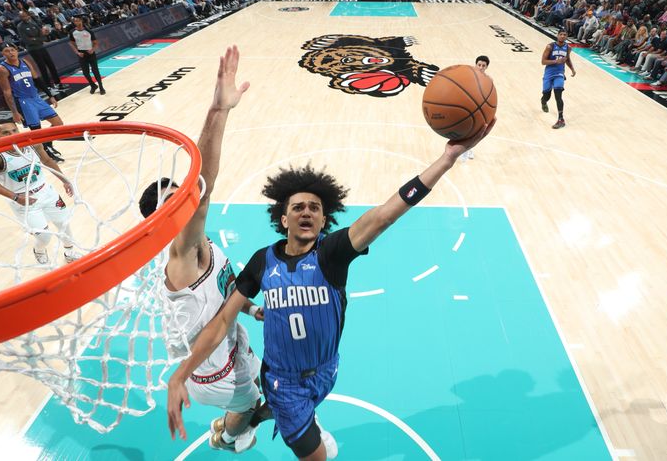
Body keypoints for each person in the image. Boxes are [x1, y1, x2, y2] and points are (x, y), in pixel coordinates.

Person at [166, 116, 496, 460]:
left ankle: (252, 421)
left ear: (325, 220)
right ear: (283, 218)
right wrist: (180, 376)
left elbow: (385, 214)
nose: (306, 212)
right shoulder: (262, 262)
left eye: (315, 208)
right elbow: (221, 322)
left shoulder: (332, 254)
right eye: (298, 207)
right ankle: (266, 421)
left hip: (327, 370)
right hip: (284, 382)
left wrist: (446, 159)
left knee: (287, 412)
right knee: (318, 456)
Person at [138, 46, 265, 454]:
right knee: (256, 406)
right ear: (158, 222)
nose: (182, 199)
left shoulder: (200, 246)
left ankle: (231, 423)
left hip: (228, 341)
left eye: (179, 193)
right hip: (214, 372)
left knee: (264, 391)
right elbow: (202, 189)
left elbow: (224, 290)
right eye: (171, 201)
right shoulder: (182, 256)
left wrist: (250, 309)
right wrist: (219, 112)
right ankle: (226, 435)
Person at [0, 122, 78, 264]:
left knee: (64, 224)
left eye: (14, 130)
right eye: (6, 133)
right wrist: (15, 197)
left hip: (46, 192)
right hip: (22, 200)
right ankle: (39, 249)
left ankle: (70, 252)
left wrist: (65, 180)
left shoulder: (32, 143)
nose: (12, 135)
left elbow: (47, 160)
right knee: (44, 237)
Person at [0, 43, 65, 162]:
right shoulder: (2, 69)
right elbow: (7, 92)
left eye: (12, 49)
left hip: (36, 98)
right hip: (23, 102)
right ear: (3, 54)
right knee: (36, 132)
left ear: (17, 50)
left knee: (58, 124)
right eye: (7, 51)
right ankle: (46, 154)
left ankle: (47, 146)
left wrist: (50, 95)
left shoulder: (25, 62)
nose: (11, 53)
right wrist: (15, 112)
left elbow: (37, 79)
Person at [16, 10, 63, 92]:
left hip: (41, 47)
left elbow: (43, 37)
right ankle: (48, 86)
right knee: (42, 67)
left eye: (24, 15)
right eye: (21, 16)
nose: (23, 17)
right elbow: (27, 40)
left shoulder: (33, 23)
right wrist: (37, 39)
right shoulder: (20, 26)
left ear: (28, 15)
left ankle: (58, 83)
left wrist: (35, 39)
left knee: (51, 65)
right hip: (33, 49)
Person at [541, 29, 576, 129]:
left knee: (558, 94)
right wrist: (557, 61)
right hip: (549, 73)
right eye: (561, 34)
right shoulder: (550, 46)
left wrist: (572, 69)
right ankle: (543, 101)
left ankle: (561, 119)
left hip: (559, 73)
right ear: (557, 35)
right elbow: (543, 61)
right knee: (546, 95)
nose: (563, 36)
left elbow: (567, 59)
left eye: (565, 35)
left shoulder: (568, 48)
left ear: (567, 36)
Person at [461, 55, 490, 161]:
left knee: (476, 132)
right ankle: (462, 150)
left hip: (480, 109)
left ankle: (468, 149)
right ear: (475, 65)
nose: (481, 67)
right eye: (479, 65)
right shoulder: (469, 77)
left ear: (486, 67)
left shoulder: (489, 80)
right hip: (467, 107)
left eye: (483, 65)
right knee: (465, 131)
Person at [68, 16, 105, 95]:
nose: (77, 22)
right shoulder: (72, 32)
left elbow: (95, 43)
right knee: (85, 72)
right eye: (75, 21)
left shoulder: (88, 31)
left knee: (95, 71)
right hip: (81, 54)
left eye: (78, 21)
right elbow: (71, 44)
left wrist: (92, 50)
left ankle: (101, 87)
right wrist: (77, 52)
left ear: (81, 21)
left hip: (90, 53)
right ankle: (93, 85)